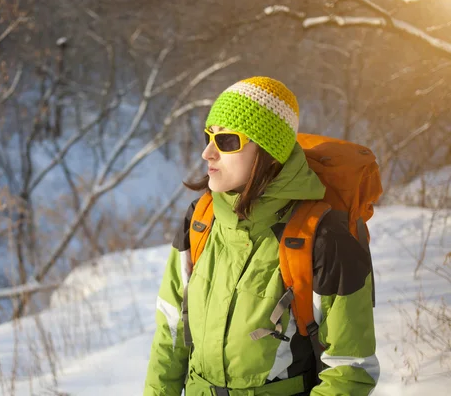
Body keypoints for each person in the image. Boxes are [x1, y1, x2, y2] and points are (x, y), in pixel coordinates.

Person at [143, 77, 379, 395]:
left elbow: (350, 370)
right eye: (208, 136)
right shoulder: (199, 220)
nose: (207, 153)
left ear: (268, 150)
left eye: (227, 141)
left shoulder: (323, 237)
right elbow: (170, 336)